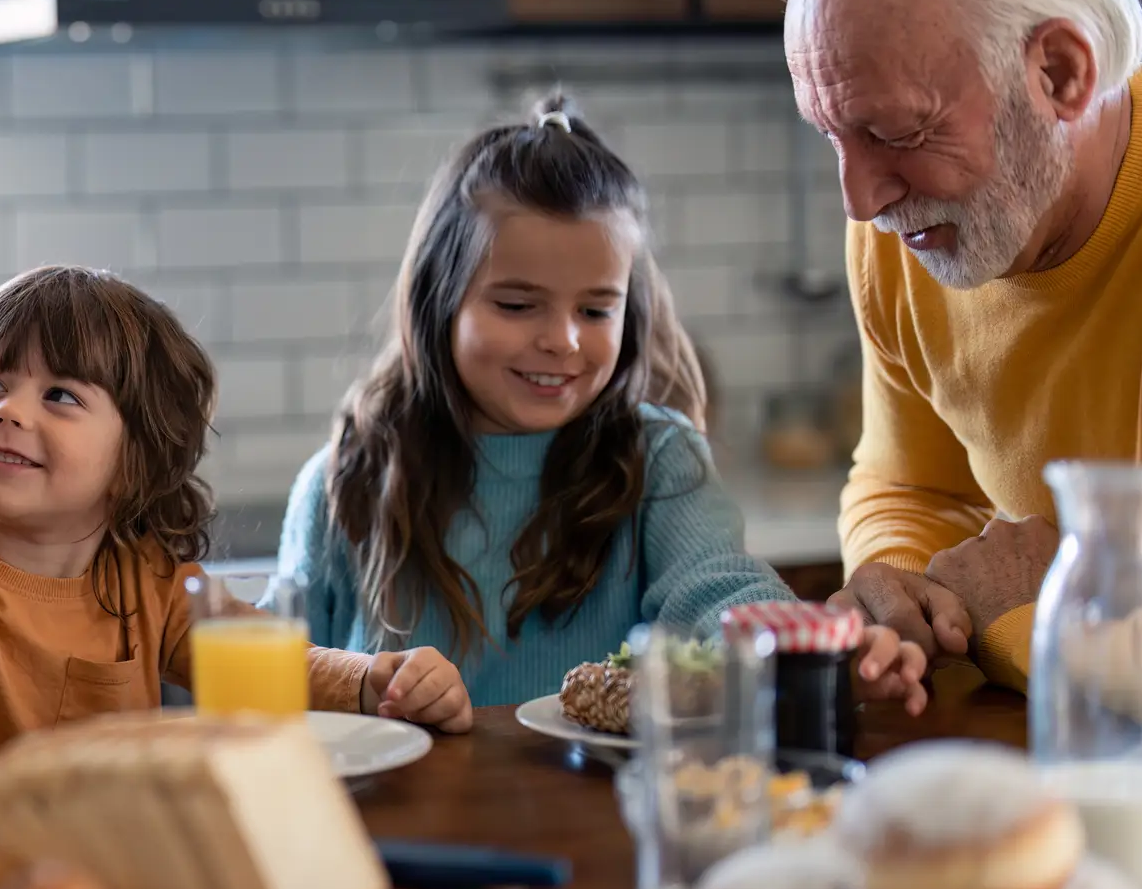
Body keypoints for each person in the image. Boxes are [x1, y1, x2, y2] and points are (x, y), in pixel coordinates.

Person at [278, 96, 929, 711]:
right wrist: (366, 683)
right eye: (515, 304)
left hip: (596, 820)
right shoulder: (344, 482)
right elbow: (278, 675)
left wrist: (808, 654)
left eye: (594, 309)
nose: (561, 340)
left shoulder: (657, 460)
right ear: (437, 300)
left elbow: (720, 592)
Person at [0, 264, 472, 758]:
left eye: (60, 396)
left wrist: (377, 681)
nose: (8, 412)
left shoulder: (150, 587)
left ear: (136, 457)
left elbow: (275, 662)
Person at [780, 0, 1142, 691]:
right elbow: (908, 483)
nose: (861, 200)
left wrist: (1015, 613)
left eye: (898, 133)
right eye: (832, 134)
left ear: (1058, 73)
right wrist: (897, 588)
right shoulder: (907, 226)